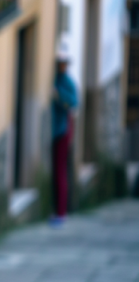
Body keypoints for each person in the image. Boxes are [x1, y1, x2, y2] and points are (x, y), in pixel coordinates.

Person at [51, 45, 78, 225]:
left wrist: (58, 96)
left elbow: (73, 102)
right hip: (57, 129)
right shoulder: (57, 78)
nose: (62, 65)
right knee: (56, 171)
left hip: (62, 130)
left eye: (64, 63)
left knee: (60, 171)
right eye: (60, 62)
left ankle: (61, 213)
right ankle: (57, 210)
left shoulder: (67, 82)